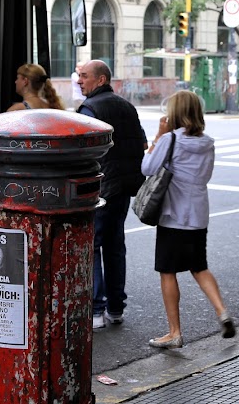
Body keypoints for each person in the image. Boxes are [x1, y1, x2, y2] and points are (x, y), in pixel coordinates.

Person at [142, 90, 235, 349]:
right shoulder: (207, 143)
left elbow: (147, 168)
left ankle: (174, 332)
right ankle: (222, 311)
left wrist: (158, 137)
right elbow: (205, 176)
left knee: (168, 270)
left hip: (173, 214)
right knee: (199, 267)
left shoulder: (170, 139)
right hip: (198, 214)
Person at [76, 60, 146, 330]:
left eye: (84, 76)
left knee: (92, 245)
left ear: (101, 80)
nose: (79, 81)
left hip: (101, 186)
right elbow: (141, 142)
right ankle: (116, 308)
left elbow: (84, 150)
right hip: (124, 186)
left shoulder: (90, 108)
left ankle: (95, 309)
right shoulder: (126, 105)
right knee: (115, 246)